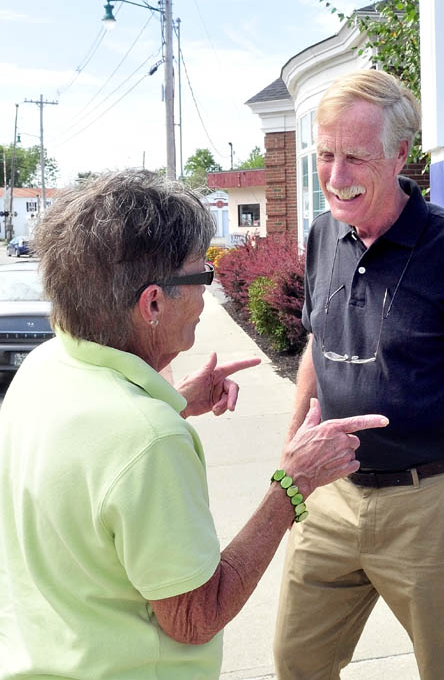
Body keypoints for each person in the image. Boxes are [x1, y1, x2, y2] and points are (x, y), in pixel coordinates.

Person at [0, 170, 388, 680]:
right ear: (153, 303)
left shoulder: (45, 368)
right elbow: (194, 616)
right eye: (201, 278)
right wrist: (292, 487)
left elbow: (90, 462)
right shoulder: (149, 440)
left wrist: (172, 403)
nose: (208, 296)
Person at [273, 70, 444, 680]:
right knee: (297, 664)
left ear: (400, 154)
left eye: (356, 157)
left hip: (431, 505)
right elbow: (319, 340)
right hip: (329, 498)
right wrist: (292, 448)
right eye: (327, 154)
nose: (336, 177)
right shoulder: (322, 234)